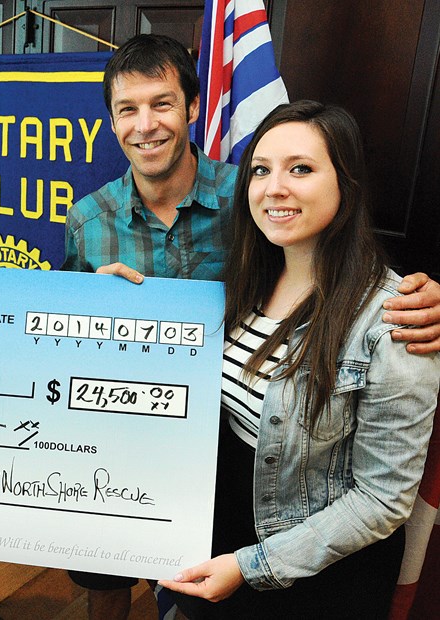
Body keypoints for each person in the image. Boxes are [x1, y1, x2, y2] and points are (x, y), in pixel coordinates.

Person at [62, 34, 440, 620]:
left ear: (193, 108)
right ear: (110, 121)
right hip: (171, 476)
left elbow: (381, 497)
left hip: (296, 552)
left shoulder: (253, 210)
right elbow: (64, 333)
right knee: (110, 579)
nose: (275, 188)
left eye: (162, 103)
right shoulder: (97, 222)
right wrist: (91, 312)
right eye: (127, 109)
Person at [158, 100, 440, 618]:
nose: (274, 187)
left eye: (301, 169)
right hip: (219, 536)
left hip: (316, 573)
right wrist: (110, 305)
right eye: (261, 170)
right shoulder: (243, 281)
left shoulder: (395, 320)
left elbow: (383, 500)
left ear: (346, 185)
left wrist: (251, 566)